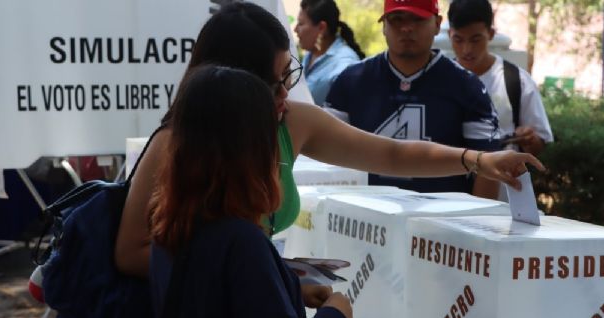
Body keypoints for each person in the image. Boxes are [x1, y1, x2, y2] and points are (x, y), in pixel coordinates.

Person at [115, 3, 543, 293]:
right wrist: (261, 277)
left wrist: (479, 160)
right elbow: (131, 253)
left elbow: (390, 153)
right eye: (275, 81)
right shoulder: (173, 144)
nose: (287, 93)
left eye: (290, 76)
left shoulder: (290, 124)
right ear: (232, 80)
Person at [129, 64, 352, 318]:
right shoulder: (241, 242)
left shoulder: (171, 224)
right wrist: (336, 315)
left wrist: (289, 287)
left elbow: (214, 310)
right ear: (253, 149)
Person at [324, 0, 503, 198]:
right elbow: (324, 151)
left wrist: (476, 223)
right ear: (384, 25)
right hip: (365, 216)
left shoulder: (467, 86)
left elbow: (488, 167)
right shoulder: (351, 80)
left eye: (417, 19)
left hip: (440, 219)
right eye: (396, 19)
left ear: (437, 24)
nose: (406, 28)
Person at [448, 0, 553, 159]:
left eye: (475, 40)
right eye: (458, 40)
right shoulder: (441, 80)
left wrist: (529, 139)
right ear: (449, 34)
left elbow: (540, 144)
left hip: (507, 182)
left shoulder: (517, 80)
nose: (466, 49)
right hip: (454, 181)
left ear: (490, 34)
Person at [294, 0, 364, 105]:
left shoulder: (345, 65)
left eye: (301, 23)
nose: (295, 29)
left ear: (321, 28)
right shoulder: (311, 53)